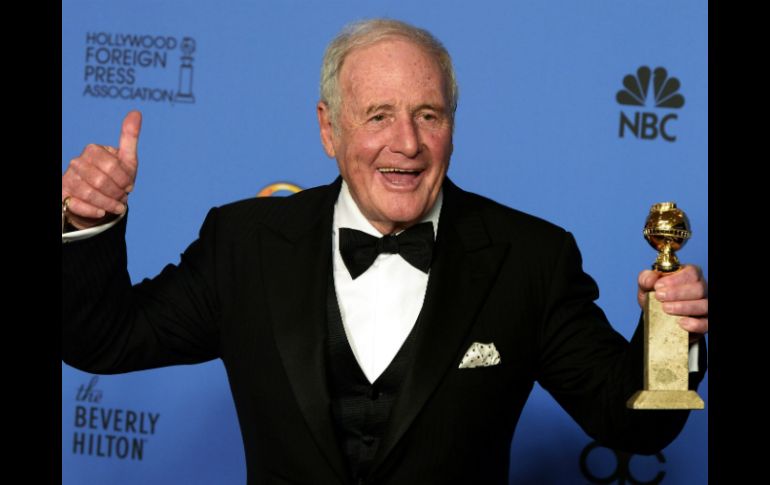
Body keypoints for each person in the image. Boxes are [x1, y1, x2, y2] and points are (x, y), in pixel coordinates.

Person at [62, 18, 708, 485]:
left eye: (429, 114)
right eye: (378, 115)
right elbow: (104, 341)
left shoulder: (529, 257)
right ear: (329, 128)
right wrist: (89, 222)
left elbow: (636, 424)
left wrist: (671, 333)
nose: (407, 143)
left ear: (452, 125)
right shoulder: (245, 244)